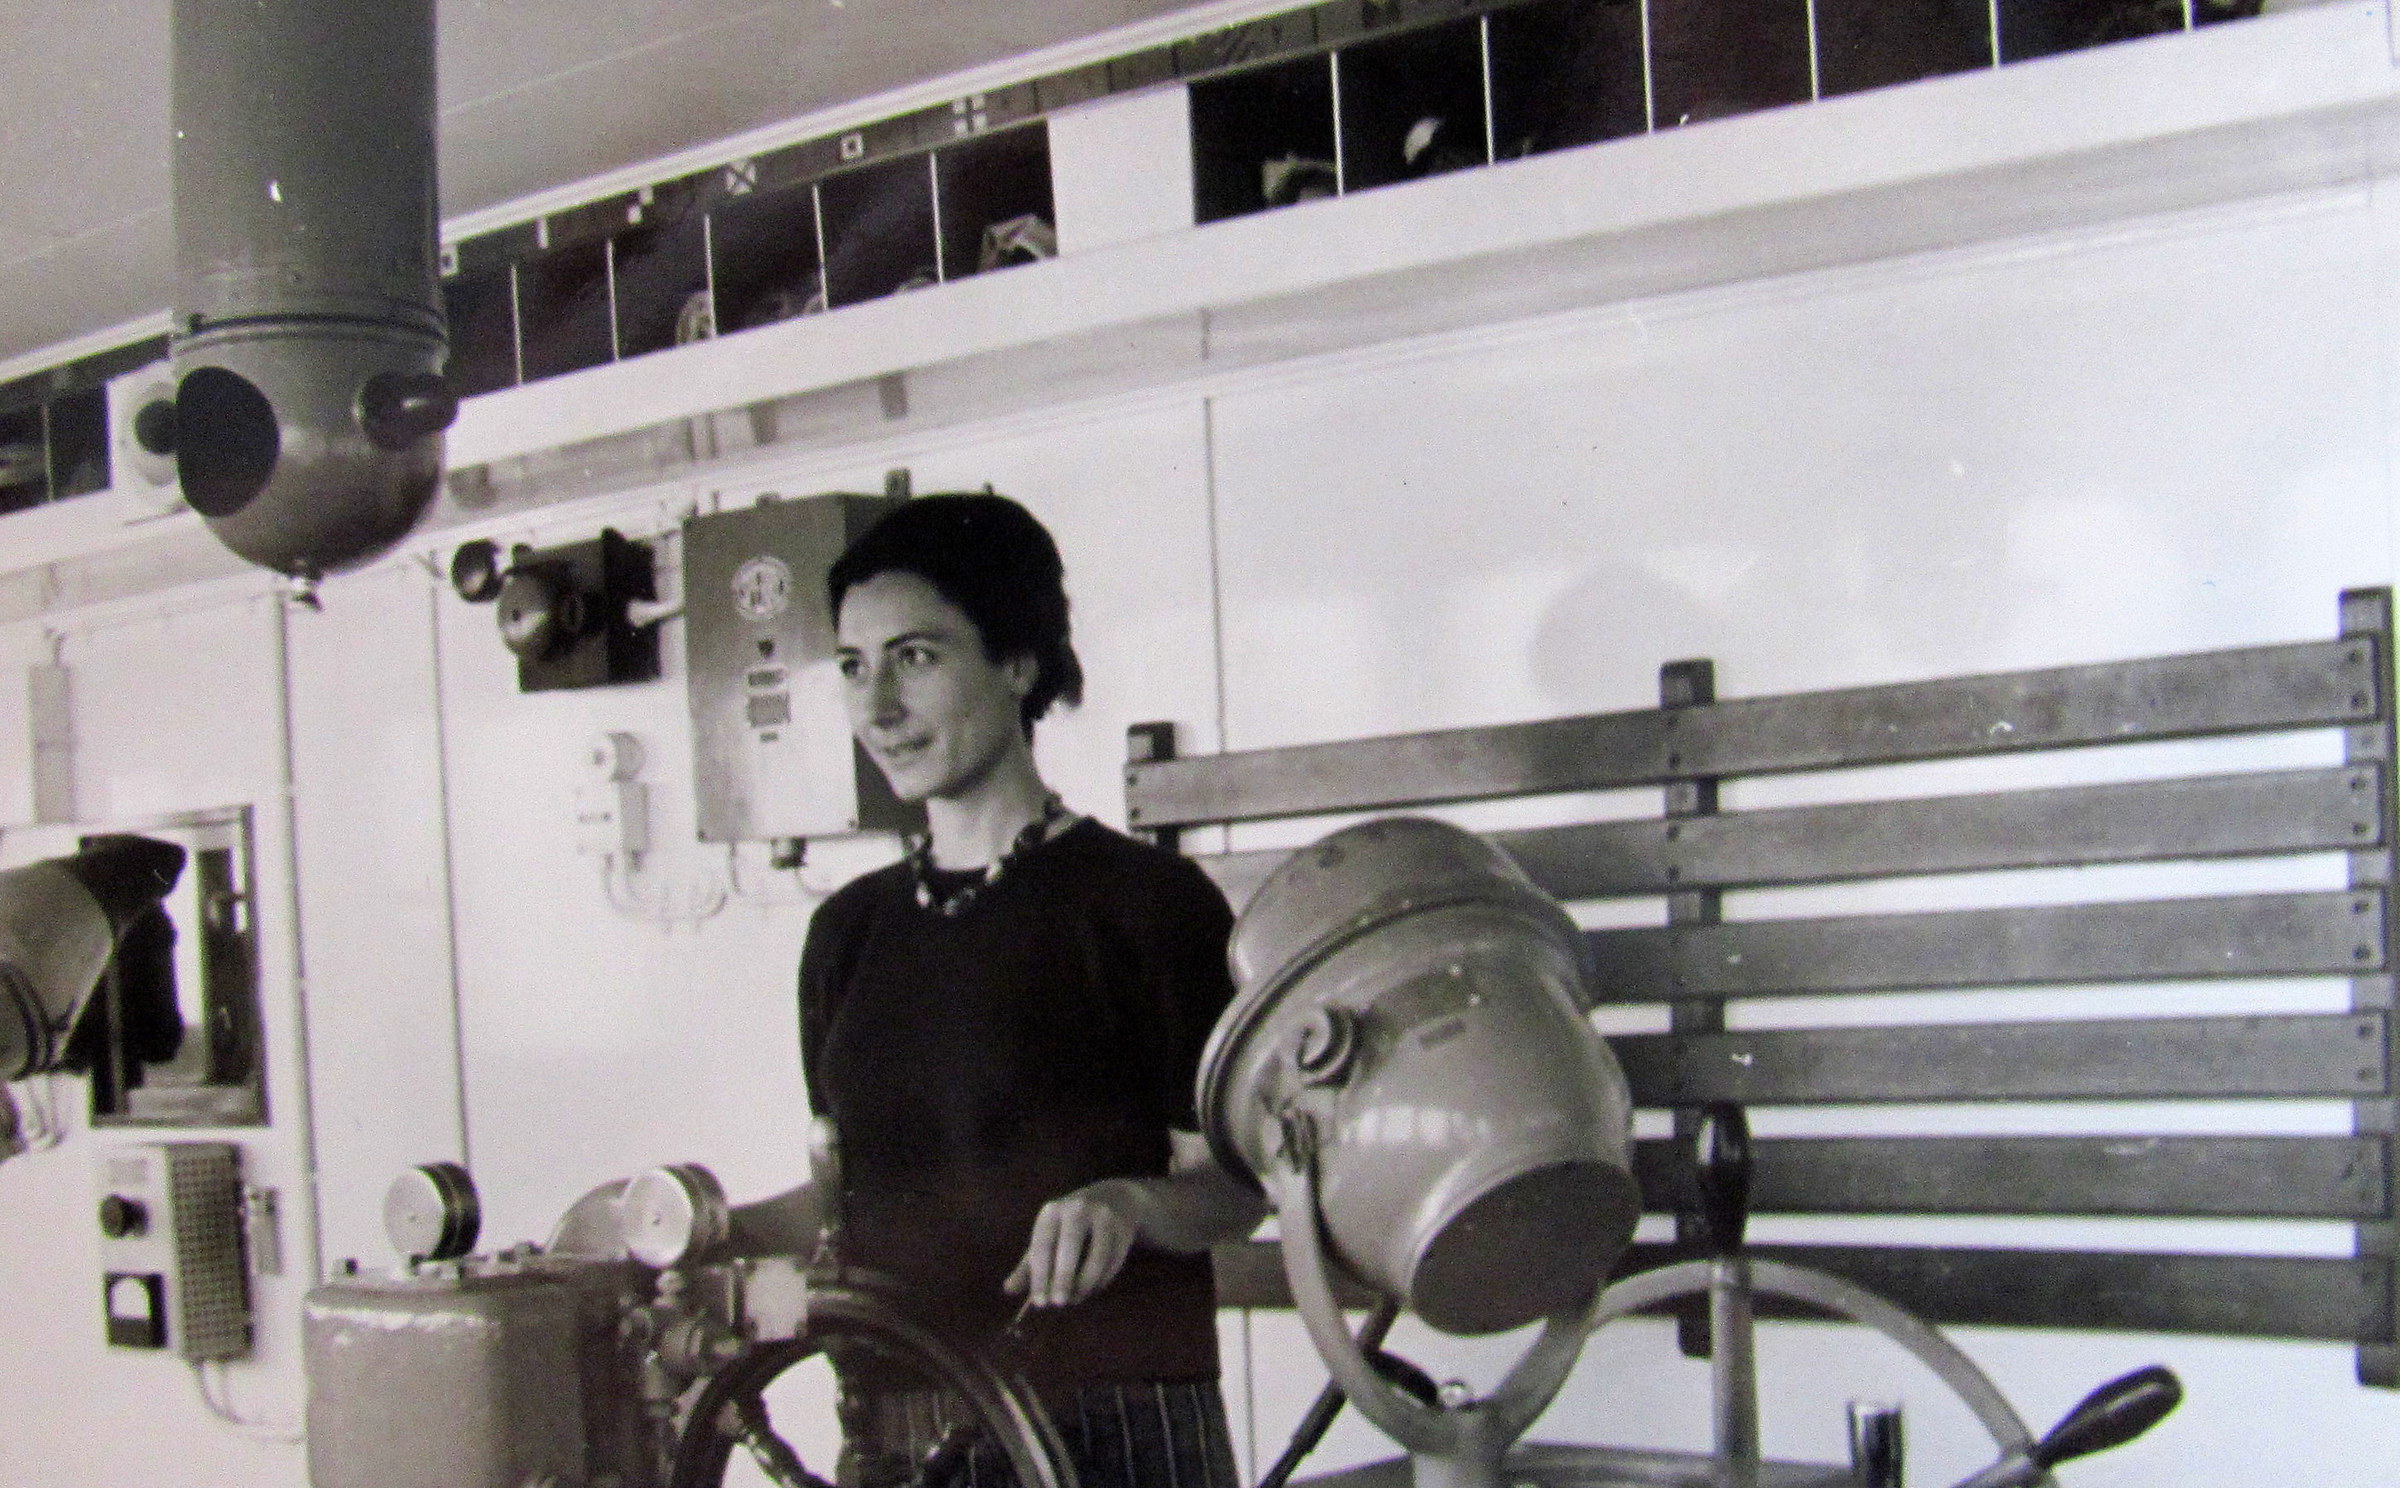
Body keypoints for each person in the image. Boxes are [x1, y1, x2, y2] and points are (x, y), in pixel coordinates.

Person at [796, 493, 1265, 1488]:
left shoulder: (1148, 905)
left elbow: (1235, 1188)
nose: (877, 707)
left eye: (915, 657)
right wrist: (693, 1225)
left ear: (1017, 662)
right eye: (853, 666)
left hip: (1115, 1431)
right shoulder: (846, 933)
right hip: (899, 1428)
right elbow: (848, 1198)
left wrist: (1128, 1204)